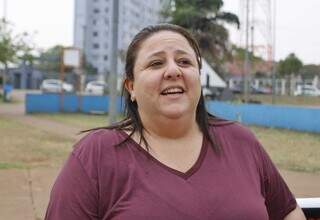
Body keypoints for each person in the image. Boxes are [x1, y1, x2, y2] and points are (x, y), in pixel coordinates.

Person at [45, 24, 306, 220]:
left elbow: (288, 212)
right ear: (131, 86)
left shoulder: (241, 141)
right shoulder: (95, 155)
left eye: (184, 61)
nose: (173, 70)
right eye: (156, 63)